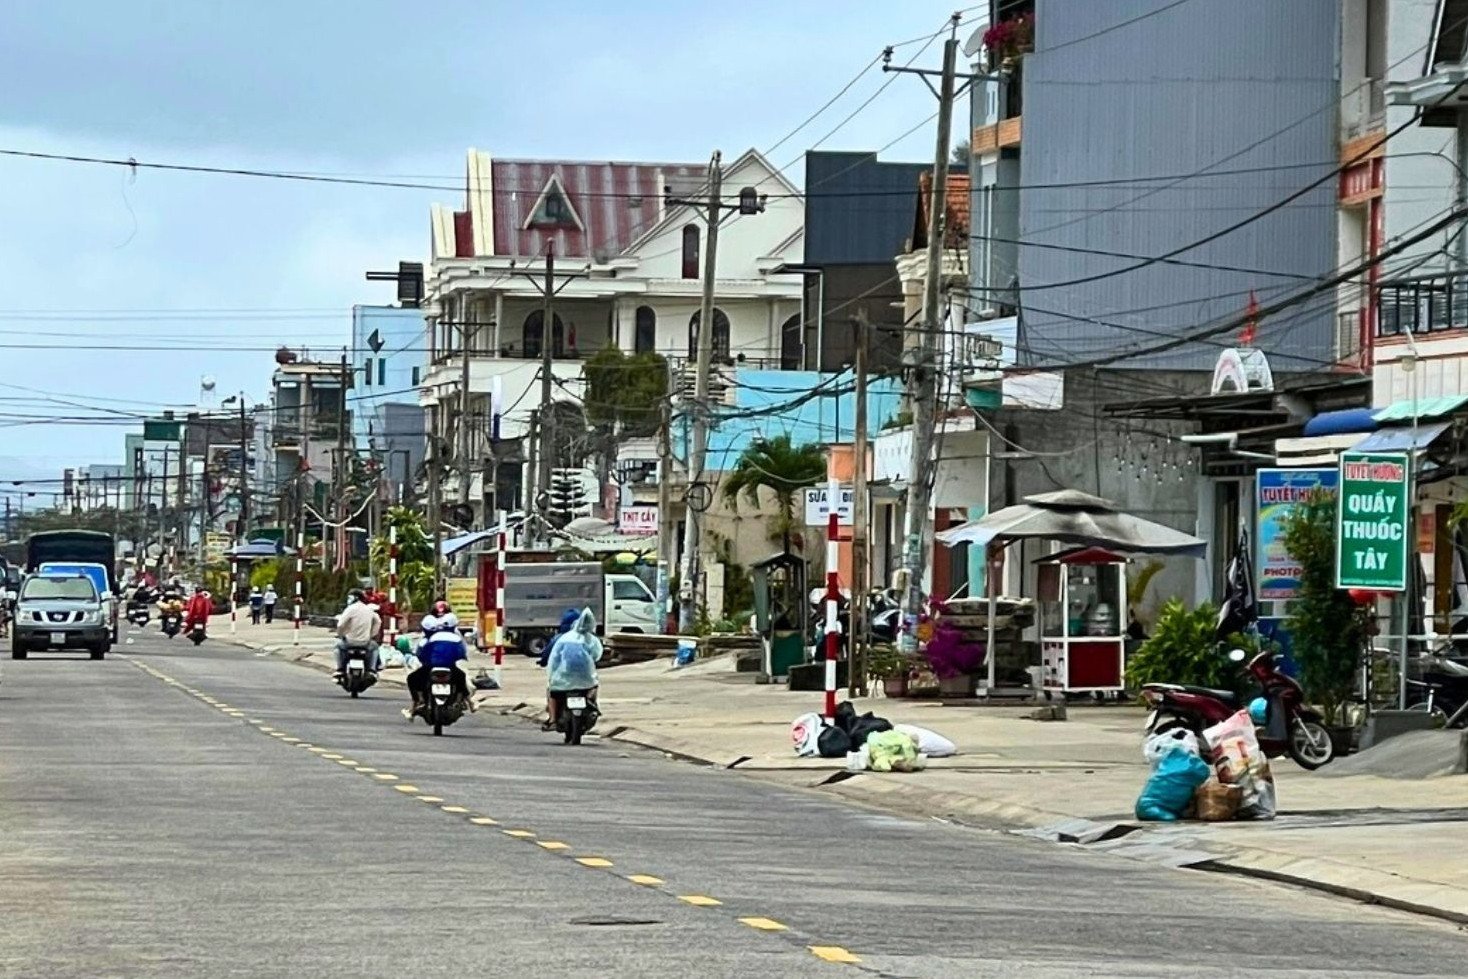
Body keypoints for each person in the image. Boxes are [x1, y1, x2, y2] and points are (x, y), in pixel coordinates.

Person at [403, 613, 474, 720]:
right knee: (461, 677)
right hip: (450, 667)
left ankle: (419, 700)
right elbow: (462, 653)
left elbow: (421, 654)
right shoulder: (456, 638)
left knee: (412, 678)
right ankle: (468, 702)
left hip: (430, 667)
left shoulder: (429, 639)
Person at [543, 608, 603, 732]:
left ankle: (553, 720)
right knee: (594, 686)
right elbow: (597, 655)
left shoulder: (562, 638)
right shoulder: (591, 639)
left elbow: (552, 657)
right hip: (585, 679)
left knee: (551, 691)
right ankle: (591, 704)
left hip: (563, 677)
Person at [334, 589, 381, 679]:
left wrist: (340, 634)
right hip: (365, 642)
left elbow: (340, 624)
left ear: (355, 598)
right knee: (375, 647)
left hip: (349, 642)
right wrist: (371, 635)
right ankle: (372, 669)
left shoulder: (350, 609)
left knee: (338, 646)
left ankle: (340, 669)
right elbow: (378, 621)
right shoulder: (369, 609)